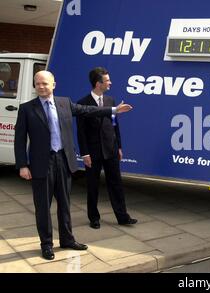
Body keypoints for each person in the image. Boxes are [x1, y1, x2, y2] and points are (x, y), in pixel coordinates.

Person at [14, 70, 133, 260]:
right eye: (38, 84)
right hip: (40, 164)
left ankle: (67, 239)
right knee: (43, 207)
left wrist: (113, 110)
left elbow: (88, 110)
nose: (41, 87)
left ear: (54, 84)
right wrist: (22, 165)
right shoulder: (27, 109)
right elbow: (19, 139)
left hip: (63, 160)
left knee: (65, 204)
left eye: (45, 83)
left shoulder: (64, 103)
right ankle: (46, 244)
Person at [76, 67, 137, 229]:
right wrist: (84, 153)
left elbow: (115, 125)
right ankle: (94, 218)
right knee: (93, 186)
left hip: (111, 150)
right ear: (98, 84)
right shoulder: (83, 103)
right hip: (93, 152)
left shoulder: (111, 101)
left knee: (116, 183)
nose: (110, 83)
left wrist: (119, 147)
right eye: (107, 80)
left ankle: (122, 216)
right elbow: (80, 131)